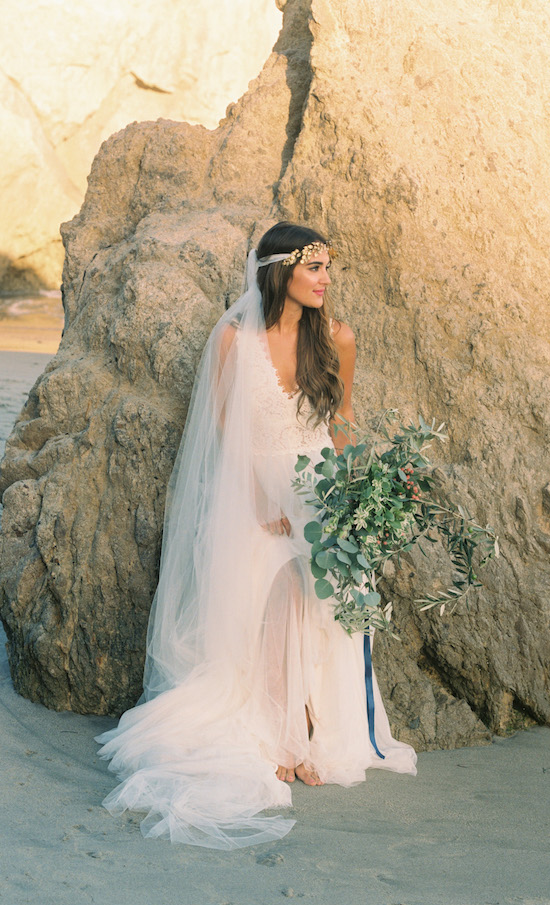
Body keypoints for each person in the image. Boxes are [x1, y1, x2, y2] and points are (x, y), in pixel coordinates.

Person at [96, 222, 417, 850]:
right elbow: (221, 430)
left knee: (318, 575)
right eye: (314, 267)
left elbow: (343, 424)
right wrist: (259, 498)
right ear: (280, 272)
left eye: (329, 267)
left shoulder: (338, 340)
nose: (326, 280)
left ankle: (310, 725)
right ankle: (277, 730)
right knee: (275, 573)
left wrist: (356, 499)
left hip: (320, 486)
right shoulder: (234, 342)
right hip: (253, 490)